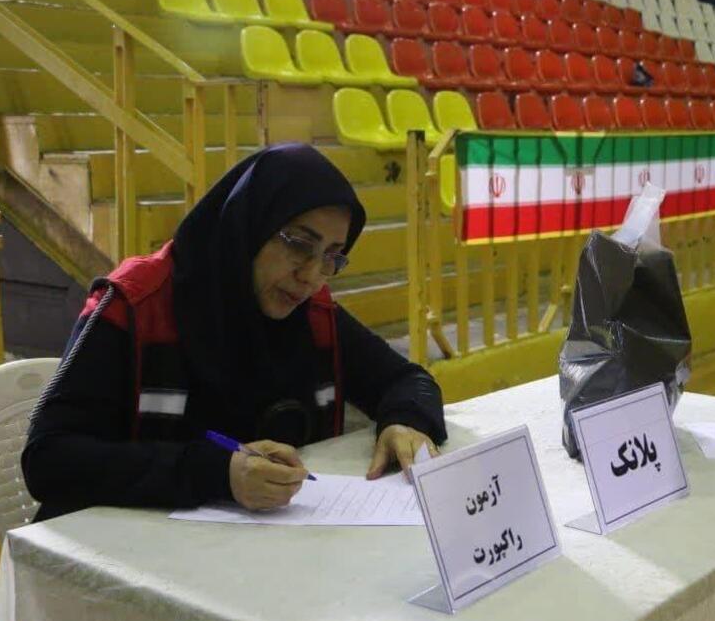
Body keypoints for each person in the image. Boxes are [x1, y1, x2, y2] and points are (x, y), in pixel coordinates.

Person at [24, 143, 447, 521]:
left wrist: (405, 421)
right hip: (126, 557)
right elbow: (49, 458)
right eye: (298, 243)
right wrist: (216, 472)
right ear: (250, 224)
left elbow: (406, 380)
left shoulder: (312, 312)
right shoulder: (137, 303)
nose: (312, 276)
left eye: (332, 257)